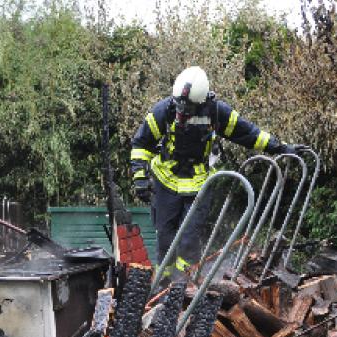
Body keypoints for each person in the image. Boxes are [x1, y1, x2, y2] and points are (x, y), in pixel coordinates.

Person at [130, 66, 308, 273]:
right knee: (165, 239)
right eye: (179, 105)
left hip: (198, 184)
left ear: (201, 101)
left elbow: (249, 134)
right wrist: (140, 177)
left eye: (187, 108)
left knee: (189, 240)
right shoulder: (163, 110)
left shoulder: (215, 112)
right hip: (165, 180)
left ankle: (185, 285)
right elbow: (141, 144)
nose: (182, 112)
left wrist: (282, 147)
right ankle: (163, 284)